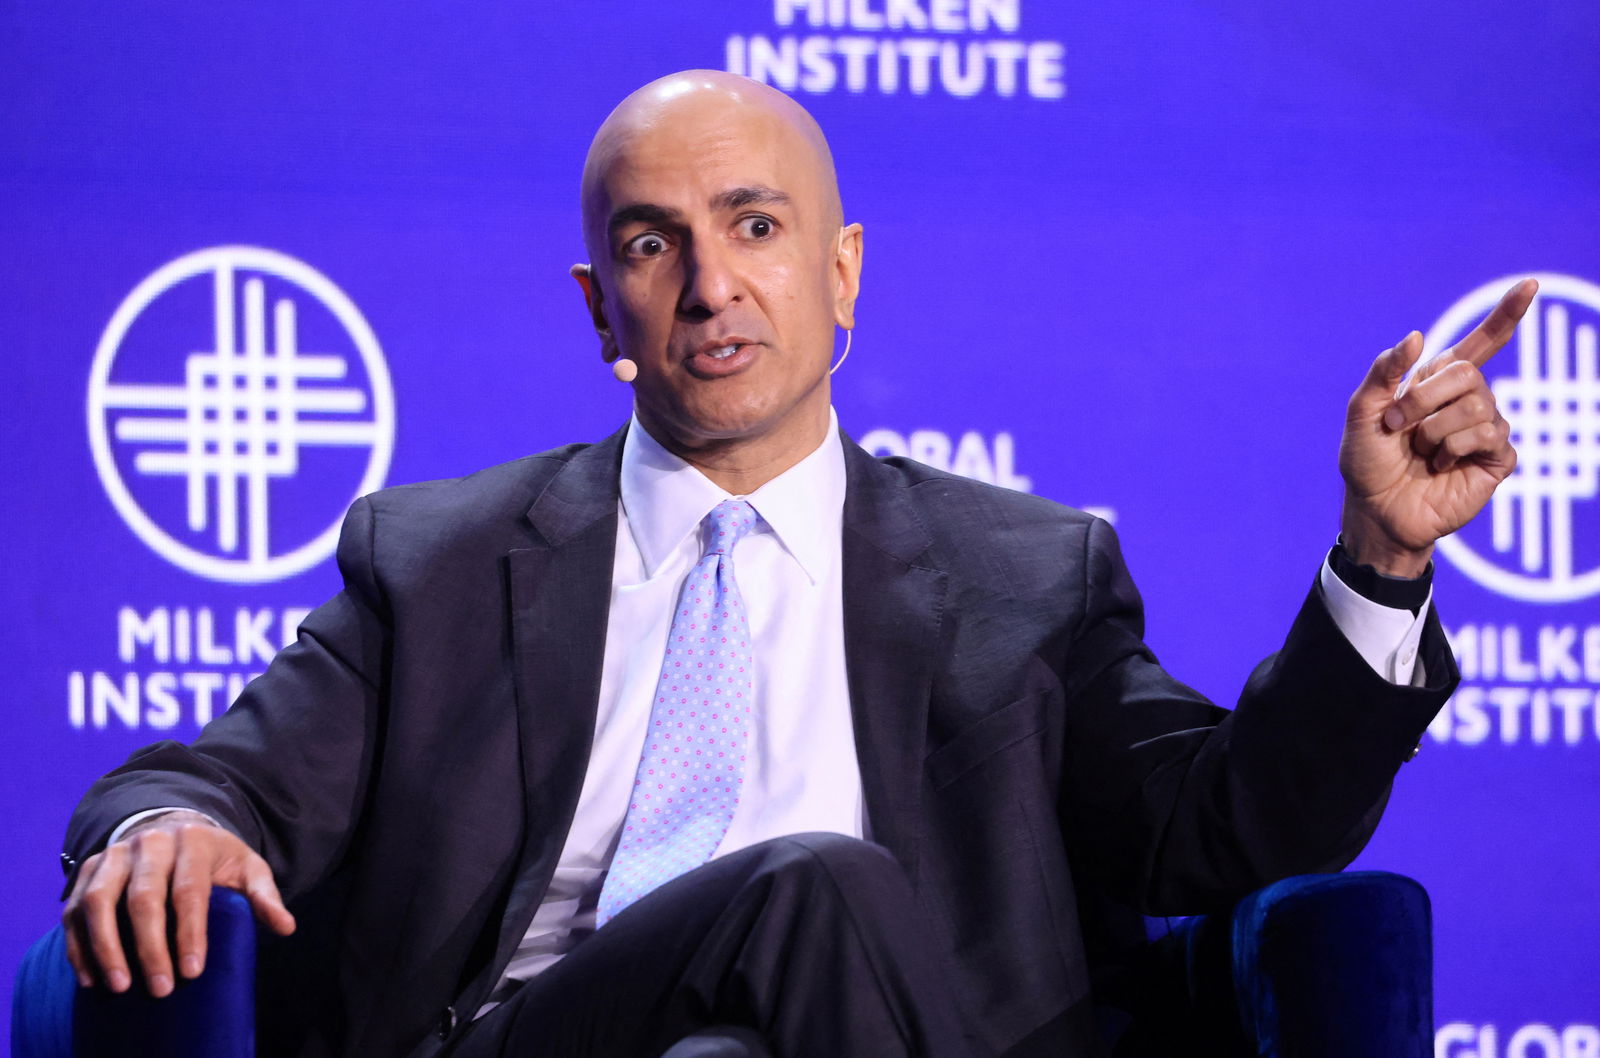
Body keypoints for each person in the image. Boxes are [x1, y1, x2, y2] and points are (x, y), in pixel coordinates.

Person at [59, 70, 1533, 1057]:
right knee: (817, 886)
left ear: (839, 275)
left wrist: (1381, 553)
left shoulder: (1028, 573)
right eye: (654, 243)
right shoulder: (435, 563)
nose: (711, 285)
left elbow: (1233, 831)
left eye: (756, 227)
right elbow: (205, 780)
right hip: (530, 1038)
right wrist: (167, 824)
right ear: (601, 307)